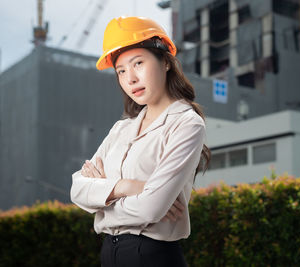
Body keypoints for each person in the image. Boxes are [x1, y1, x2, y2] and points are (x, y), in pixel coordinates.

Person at [70, 16, 210, 267]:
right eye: (121, 71)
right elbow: (77, 189)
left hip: (152, 256)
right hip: (109, 255)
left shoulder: (186, 124)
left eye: (138, 63)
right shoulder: (121, 129)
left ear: (165, 62)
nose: (130, 78)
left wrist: (103, 200)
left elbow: (151, 209)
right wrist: (130, 186)